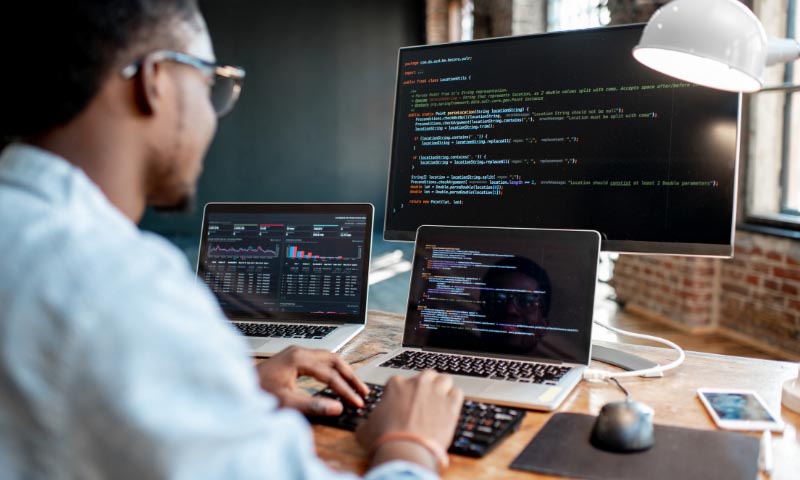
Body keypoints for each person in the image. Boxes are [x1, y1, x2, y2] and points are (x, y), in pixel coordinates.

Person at [0, 1, 463, 479]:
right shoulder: (121, 286)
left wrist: (225, 385)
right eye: (210, 85)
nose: (213, 117)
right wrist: (411, 445)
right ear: (155, 81)